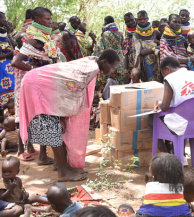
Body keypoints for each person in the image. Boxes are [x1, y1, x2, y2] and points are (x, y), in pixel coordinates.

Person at [19, 50, 119, 182]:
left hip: (42, 83)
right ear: (104, 62)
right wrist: (62, 116)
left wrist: (62, 117)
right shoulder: (92, 69)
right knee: (52, 126)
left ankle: (64, 167)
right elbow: (70, 93)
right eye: (112, 67)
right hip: (38, 84)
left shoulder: (93, 62)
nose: (112, 71)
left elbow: (68, 89)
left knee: (55, 126)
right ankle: (63, 172)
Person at [12, 7, 59, 164]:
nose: (50, 21)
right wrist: (35, 69)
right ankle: (43, 156)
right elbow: (16, 61)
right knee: (44, 117)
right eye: (46, 19)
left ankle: (43, 154)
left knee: (44, 117)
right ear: (38, 20)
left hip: (45, 82)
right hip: (39, 83)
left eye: (50, 18)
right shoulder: (34, 39)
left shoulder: (43, 37)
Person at [147, 57, 194, 153]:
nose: (164, 76)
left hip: (182, 125)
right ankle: (179, 152)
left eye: (163, 73)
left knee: (150, 119)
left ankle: (165, 154)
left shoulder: (170, 78)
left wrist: (159, 102)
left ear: (168, 69)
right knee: (185, 113)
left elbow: (165, 107)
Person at [93, 19, 124, 90]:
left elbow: (101, 48)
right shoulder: (121, 33)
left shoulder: (106, 34)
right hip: (119, 61)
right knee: (119, 84)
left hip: (109, 61)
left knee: (106, 84)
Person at [132, 10, 160, 82]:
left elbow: (162, 45)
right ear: (137, 21)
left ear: (147, 19)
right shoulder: (136, 35)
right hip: (145, 64)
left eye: (144, 19)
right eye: (140, 19)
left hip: (158, 62)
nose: (142, 21)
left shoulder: (155, 32)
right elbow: (140, 52)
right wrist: (155, 48)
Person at [0, 13, 15, 109]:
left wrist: (9, 32)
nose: (6, 20)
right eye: (3, 18)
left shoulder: (4, 32)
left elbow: (14, 46)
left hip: (9, 66)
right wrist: (9, 54)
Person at [122, 12, 137, 84]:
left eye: (132, 20)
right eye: (127, 21)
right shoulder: (127, 39)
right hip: (133, 68)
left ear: (135, 19)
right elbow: (125, 56)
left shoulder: (145, 33)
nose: (130, 22)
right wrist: (125, 73)